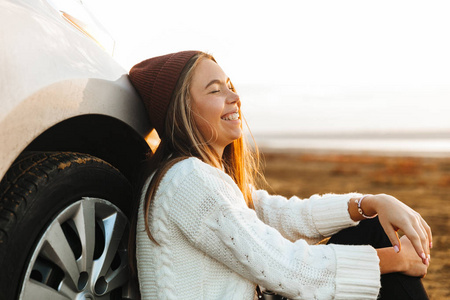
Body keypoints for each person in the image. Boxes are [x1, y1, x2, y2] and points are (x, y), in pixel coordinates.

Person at [127, 51, 431, 300]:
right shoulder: (188, 179)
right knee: (378, 247)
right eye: (215, 90)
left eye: (230, 85)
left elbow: (287, 216)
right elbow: (285, 267)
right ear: (181, 111)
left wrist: (372, 203)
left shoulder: (204, 176)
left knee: (371, 228)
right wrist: (397, 260)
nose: (234, 96)